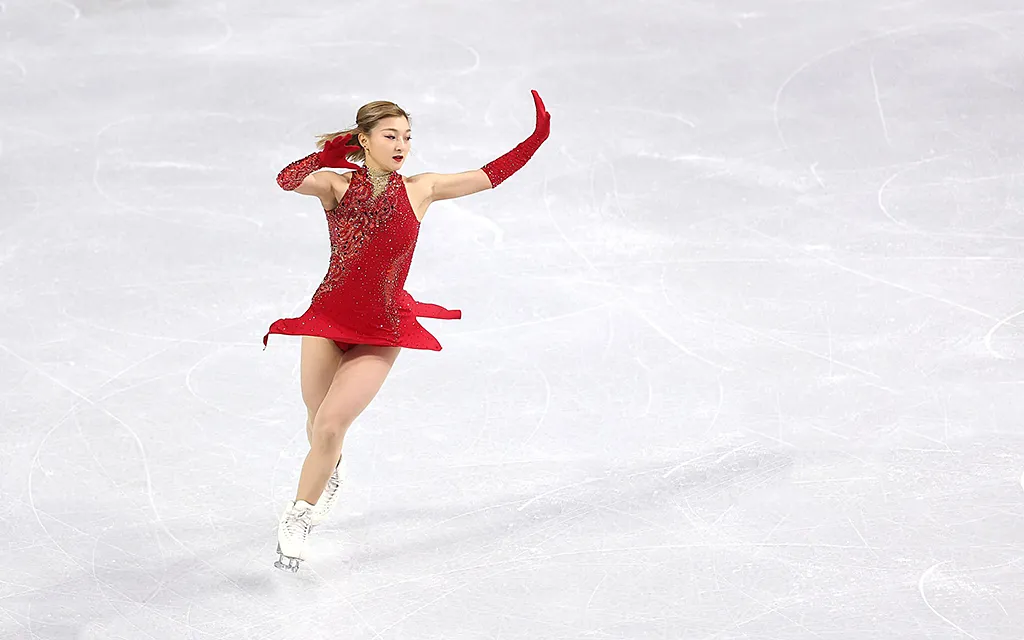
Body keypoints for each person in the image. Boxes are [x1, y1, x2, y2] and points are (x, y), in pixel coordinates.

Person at [264, 90, 551, 571]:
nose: (401, 145)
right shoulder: (337, 186)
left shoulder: (422, 189)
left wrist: (536, 138)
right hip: (328, 318)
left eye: (407, 137)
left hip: (381, 325)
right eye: (390, 136)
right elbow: (285, 180)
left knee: (331, 425)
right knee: (317, 425)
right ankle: (329, 468)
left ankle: (300, 514)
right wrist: (323, 157)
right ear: (364, 140)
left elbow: (489, 175)